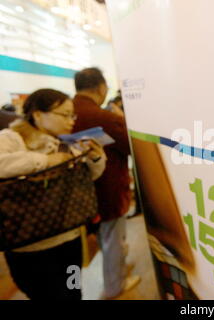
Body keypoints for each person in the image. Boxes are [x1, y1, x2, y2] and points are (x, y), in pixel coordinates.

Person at [0, 89, 106, 300]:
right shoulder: (11, 138)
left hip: (70, 237)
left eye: (72, 115)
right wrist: (46, 161)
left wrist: (96, 158)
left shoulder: (67, 142)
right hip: (30, 245)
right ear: (38, 114)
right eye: (64, 114)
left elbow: (89, 177)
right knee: (45, 295)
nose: (71, 121)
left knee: (74, 290)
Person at [72, 67, 140, 299]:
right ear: (101, 87)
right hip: (109, 188)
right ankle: (114, 286)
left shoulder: (69, 112)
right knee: (113, 240)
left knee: (104, 237)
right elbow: (132, 148)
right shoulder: (105, 118)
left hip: (80, 191)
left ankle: (115, 275)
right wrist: (122, 121)